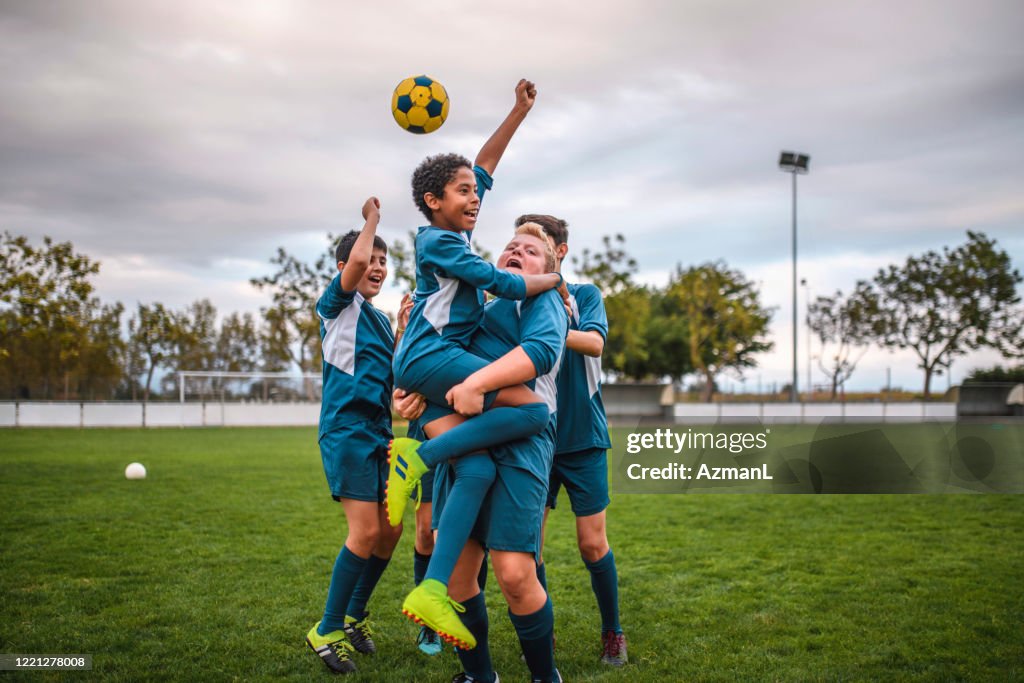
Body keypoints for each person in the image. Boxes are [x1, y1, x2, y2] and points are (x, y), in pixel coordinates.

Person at [387, 80, 565, 649]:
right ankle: (420, 455)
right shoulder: (439, 242)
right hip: (430, 356)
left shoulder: (455, 225)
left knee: (481, 468)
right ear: (435, 202)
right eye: (463, 192)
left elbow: (484, 163)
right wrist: (554, 277)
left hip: (432, 362)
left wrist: (517, 112)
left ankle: (432, 589)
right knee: (534, 412)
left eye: (475, 193)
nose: (475, 198)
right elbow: (499, 281)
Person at [399, 224, 567, 683]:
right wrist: (406, 392)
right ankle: (479, 676)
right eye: (511, 246)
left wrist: (476, 383)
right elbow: (437, 367)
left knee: (513, 574)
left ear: (548, 269)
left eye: (531, 250)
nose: (517, 251)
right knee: (456, 577)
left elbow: (541, 352)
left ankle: (544, 677)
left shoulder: (543, 300)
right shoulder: (477, 306)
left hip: (520, 446)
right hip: (469, 441)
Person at [516, 213, 628, 666]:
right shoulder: (515, 301)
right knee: (530, 546)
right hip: (532, 437)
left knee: (591, 544)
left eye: (534, 244)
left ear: (558, 252)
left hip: (582, 439)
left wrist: (552, 325)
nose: (523, 251)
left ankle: (613, 633)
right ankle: (545, 633)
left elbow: (596, 345)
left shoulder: (584, 296)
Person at [304, 197, 405, 675]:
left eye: (386, 263)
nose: (378, 268)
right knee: (364, 532)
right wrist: (372, 220)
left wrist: (403, 332)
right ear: (344, 267)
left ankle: (354, 614)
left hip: (379, 433)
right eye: (372, 260)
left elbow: (395, 378)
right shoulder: (336, 306)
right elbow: (359, 257)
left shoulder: (380, 321)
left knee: (391, 529)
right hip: (346, 431)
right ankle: (325, 629)